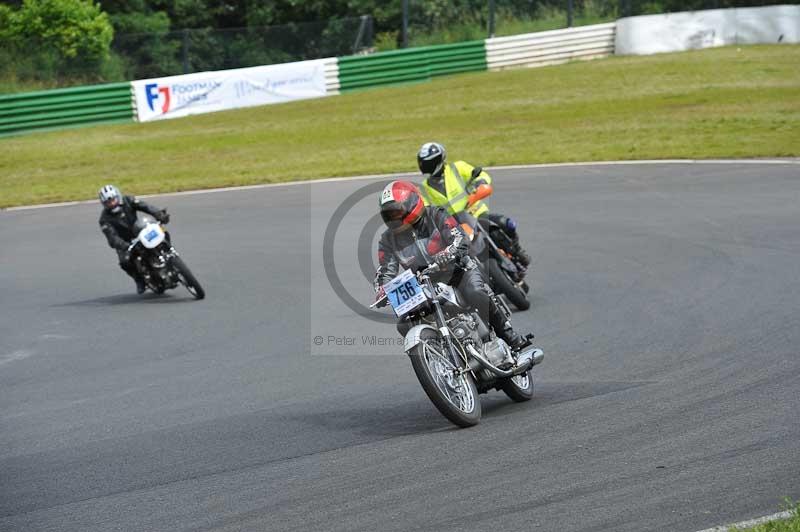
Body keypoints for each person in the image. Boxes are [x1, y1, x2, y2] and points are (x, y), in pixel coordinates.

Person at [373, 180, 530, 350]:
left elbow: (458, 237)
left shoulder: (435, 215)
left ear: (413, 204)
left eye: (397, 212)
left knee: (476, 292)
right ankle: (440, 355)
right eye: (389, 215)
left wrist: (448, 253)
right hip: (424, 285)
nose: (393, 218)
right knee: (404, 324)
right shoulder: (388, 239)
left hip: (458, 271)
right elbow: (385, 270)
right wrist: (382, 288)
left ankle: (509, 335)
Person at [416, 141, 531, 266]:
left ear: (439, 159)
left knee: (506, 223)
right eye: (425, 163)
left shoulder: (458, 168)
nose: (427, 166)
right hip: (452, 228)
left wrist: (480, 183)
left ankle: (517, 251)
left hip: (475, 213)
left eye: (430, 162)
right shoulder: (424, 189)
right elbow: (424, 210)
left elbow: (480, 174)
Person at [97, 185, 169, 294]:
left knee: (163, 232)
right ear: (104, 204)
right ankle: (139, 280)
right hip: (125, 242)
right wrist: (124, 245)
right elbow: (112, 238)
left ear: (118, 196)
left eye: (112, 199)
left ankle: (169, 252)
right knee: (124, 262)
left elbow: (145, 206)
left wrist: (158, 213)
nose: (111, 203)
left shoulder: (128, 200)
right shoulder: (104, 220)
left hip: (140, 230)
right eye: (108, 202)